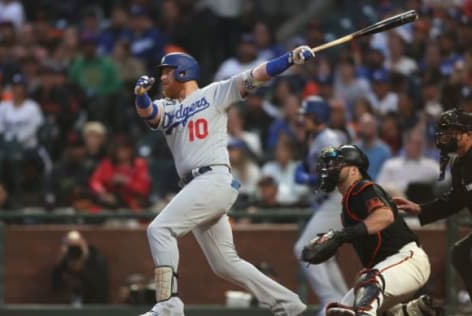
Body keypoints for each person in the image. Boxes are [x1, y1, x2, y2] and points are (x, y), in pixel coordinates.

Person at [133, 47, 315, 315]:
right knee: (225, 264)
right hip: (199, 185)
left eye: (167, 73)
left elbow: (256, 75)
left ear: (183, 72)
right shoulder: (168, 107)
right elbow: (149, 114)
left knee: (159, 230)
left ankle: (168, 304)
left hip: (212, 178)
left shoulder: (215, 92)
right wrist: (140, 97)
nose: (162, 78)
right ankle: (290, 305)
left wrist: (289, 59)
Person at [303, 145, 432, 316]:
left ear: (355, 170)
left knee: (368, 284)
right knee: (339, 311)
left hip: (407, 260)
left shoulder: (362, 188)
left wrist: (342, 236)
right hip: (391, 270)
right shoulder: (348, 205)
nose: (331, 168)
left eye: (338, 164)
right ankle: (408, 312)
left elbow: (385, 215)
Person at [393, 108, 472, 302]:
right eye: (445, 133)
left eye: (452, 132)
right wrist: (421, 209)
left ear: (469, 134)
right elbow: (455, 200)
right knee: (461, 253)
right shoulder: (459, 164)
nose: (446, 137)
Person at [293, 95, 348, 316]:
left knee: (304, 248)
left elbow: (337, 172)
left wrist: (307, 178)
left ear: (317, 116)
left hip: (337, 199)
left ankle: (330, 300)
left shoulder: (328, 138)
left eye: (306, 116)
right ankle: (346, 302)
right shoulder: (316, 138)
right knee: (326, 256)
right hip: (331, 201)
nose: (303, 120)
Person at [51, 230, 109, 305]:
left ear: (83, 243)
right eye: (70, 246)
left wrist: (82, 266)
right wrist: (59, 264)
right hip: (69, 306)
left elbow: (99, 289)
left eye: (76, 246)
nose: (74, 250)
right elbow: (56, 287)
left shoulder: (96, 258)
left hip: (93, 306)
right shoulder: (66, 259)